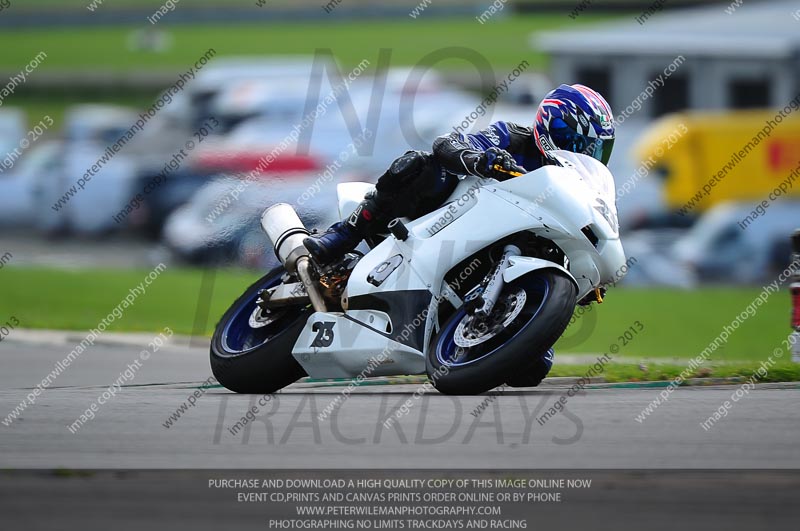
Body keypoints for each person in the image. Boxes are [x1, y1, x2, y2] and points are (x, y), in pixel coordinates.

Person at [303, 83, 615, 266]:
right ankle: (345, 233)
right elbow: (447, 144)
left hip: (497, 245)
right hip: (450, 218)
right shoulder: (513, 137)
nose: (585, 155)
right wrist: (480, 161)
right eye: (579, 144)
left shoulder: (577, 189)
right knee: (419, 164)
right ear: (553, 128)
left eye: (596, 149)